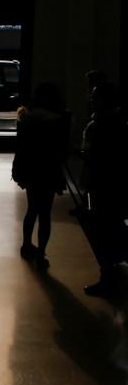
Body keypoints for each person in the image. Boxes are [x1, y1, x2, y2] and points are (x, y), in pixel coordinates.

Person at [12, 82, 70, 269]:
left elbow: (20, 148)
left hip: (31, 169)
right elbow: (63, 150)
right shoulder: (60, 120)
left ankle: (26, 244)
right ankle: (41, 253)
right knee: (45, 214)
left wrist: (17, 169)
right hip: (49, 169)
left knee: (32, 209)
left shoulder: (26, 119)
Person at [80, 82, 128, 296]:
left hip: (103, 184)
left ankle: (108, 276)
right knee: (113, 228)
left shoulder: (100, 125)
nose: (91, 99)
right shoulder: (118, 123)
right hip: (114, 184)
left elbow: (96, 156)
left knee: (103, 232)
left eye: (95, 96)